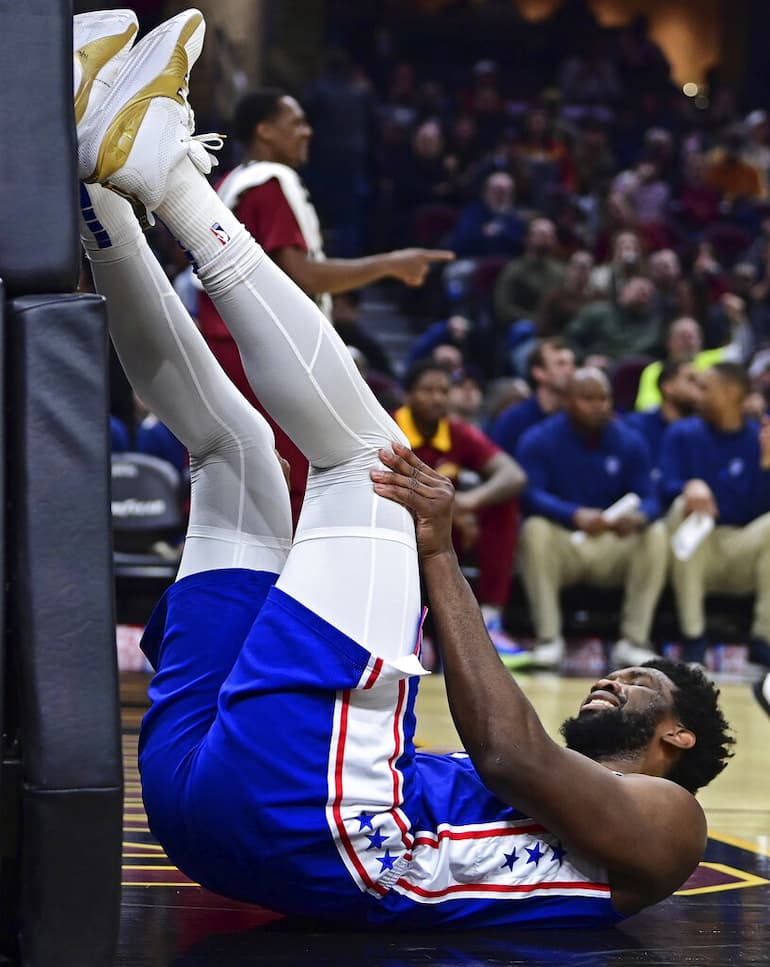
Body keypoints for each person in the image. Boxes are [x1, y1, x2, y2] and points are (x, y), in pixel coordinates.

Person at [75, 7, 734, 929]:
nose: (614, 681)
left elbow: (509, 753)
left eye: (642, 686)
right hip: (214, 805)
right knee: (235, 456)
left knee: (369, 464)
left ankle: (169, 178)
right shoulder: (560, 794)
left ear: (678, 736)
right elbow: (501, 763)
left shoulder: (673, 822)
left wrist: (438, 553)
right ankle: (96, 191)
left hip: (308, 824)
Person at [196, 86, 454, 524]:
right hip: (258, 348)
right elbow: (304, 275)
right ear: (265, 132)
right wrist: (391, 264)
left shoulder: (232, 181)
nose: (307, 131)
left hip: (226, 341)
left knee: (244, 473)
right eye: (295, 122)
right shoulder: (271, 184)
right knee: (293, 470)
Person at [516, 369, 668, 671]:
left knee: (656, 533)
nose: (600, 405)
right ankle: (549, 639)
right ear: (568, 401)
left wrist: (639, 518)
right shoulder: (539, 439)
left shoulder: (629, 441)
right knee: (534, 529)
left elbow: (652, 498)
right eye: (589, 398)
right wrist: (572, 514)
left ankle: (632, 641)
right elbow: (530, 494)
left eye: (604, 398)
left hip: (613, 544)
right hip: (566, 542)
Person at [394, 360, 528, 666]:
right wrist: (449, 510)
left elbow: (513, 475)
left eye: (444, 390)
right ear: (408, 394)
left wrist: (467, 503)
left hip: (442, 526)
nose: (438, 398)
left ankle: (492, 620)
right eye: (428, 390)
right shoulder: (388, 427)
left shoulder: (455, 432)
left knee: (503, 506)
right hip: (398, 522)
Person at [658, 362, 770, 666]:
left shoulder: (756, 439)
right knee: (684, 508)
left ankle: (764, 639)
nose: (697, 394)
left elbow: (755, 509)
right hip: (695, 549)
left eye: (705, 387)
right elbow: (664, 487)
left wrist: (766, 465)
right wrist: (689, 486)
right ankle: (694, 638)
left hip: (741, 548)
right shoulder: (681, 432)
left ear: (732, 393)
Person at [491, 338, 575, 458]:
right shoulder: (513, 420)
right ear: (538, 372)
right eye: (560, 364)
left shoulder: (577, 417)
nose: (570, 371)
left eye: (571, 364)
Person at [624, 359, 702, 472]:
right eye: (691, 380)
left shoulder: (704, 430)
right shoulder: (634, 427)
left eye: (700, 383)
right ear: (668, 387)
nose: (698, 388)